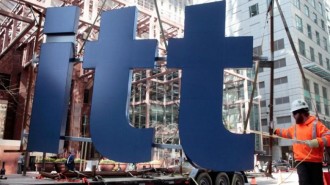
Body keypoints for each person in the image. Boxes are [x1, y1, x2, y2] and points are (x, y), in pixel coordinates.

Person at [274, 99, 330, 185]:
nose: (293, 116)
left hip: (315, 162)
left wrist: (317, 142)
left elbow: (328, 137)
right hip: (301, 162)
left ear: (301, 113)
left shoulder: (317, 125)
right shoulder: (295, 128)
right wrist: (275, 131)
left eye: (294, 114)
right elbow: (285, 133)